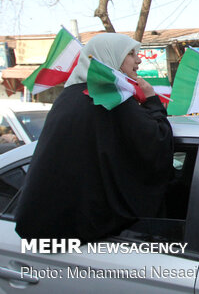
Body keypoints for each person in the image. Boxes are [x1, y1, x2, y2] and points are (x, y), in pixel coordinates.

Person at [15, 33, 174, 243]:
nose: (139, 60)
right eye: (130, 54)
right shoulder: (108, 97)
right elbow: (157, 142)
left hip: (50, 225)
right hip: (89, 232)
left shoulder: (69, 95)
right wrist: (152, 101)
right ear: (110, 57)